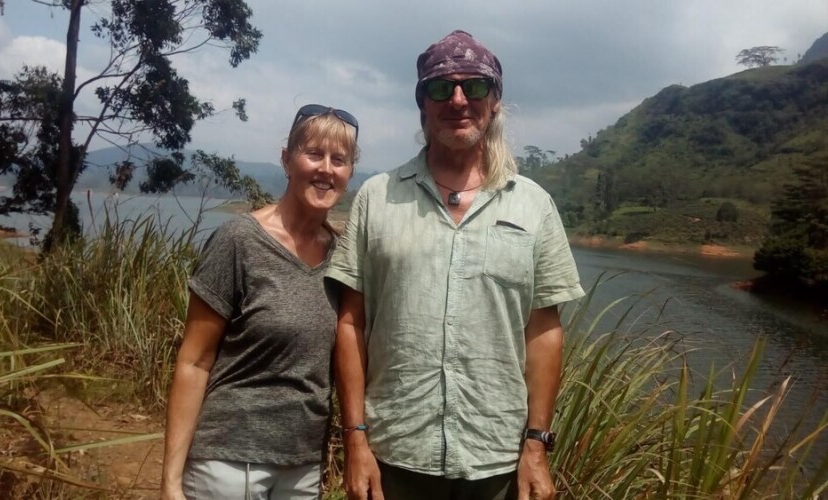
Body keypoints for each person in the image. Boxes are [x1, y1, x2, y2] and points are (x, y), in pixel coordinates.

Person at [326, 30, 584, 500]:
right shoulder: (377, 198)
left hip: (497, 458)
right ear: (422, 103)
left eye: (475, 86)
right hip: (393, 452)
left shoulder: (533, 206)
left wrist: (536, 446)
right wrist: (355, 439)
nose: (458, 100)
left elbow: (544, 331)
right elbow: (351, 323)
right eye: (441, 87)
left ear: (495, 101)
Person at [161, 104, 359, 500]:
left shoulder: (343, 257)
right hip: (228, 462)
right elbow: (194, 361)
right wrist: (170, 481)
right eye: (314, 154)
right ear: (287, 160)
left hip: (303, 467)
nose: (326, 169)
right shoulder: (239, 241)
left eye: (339, 159)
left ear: (350, 172)